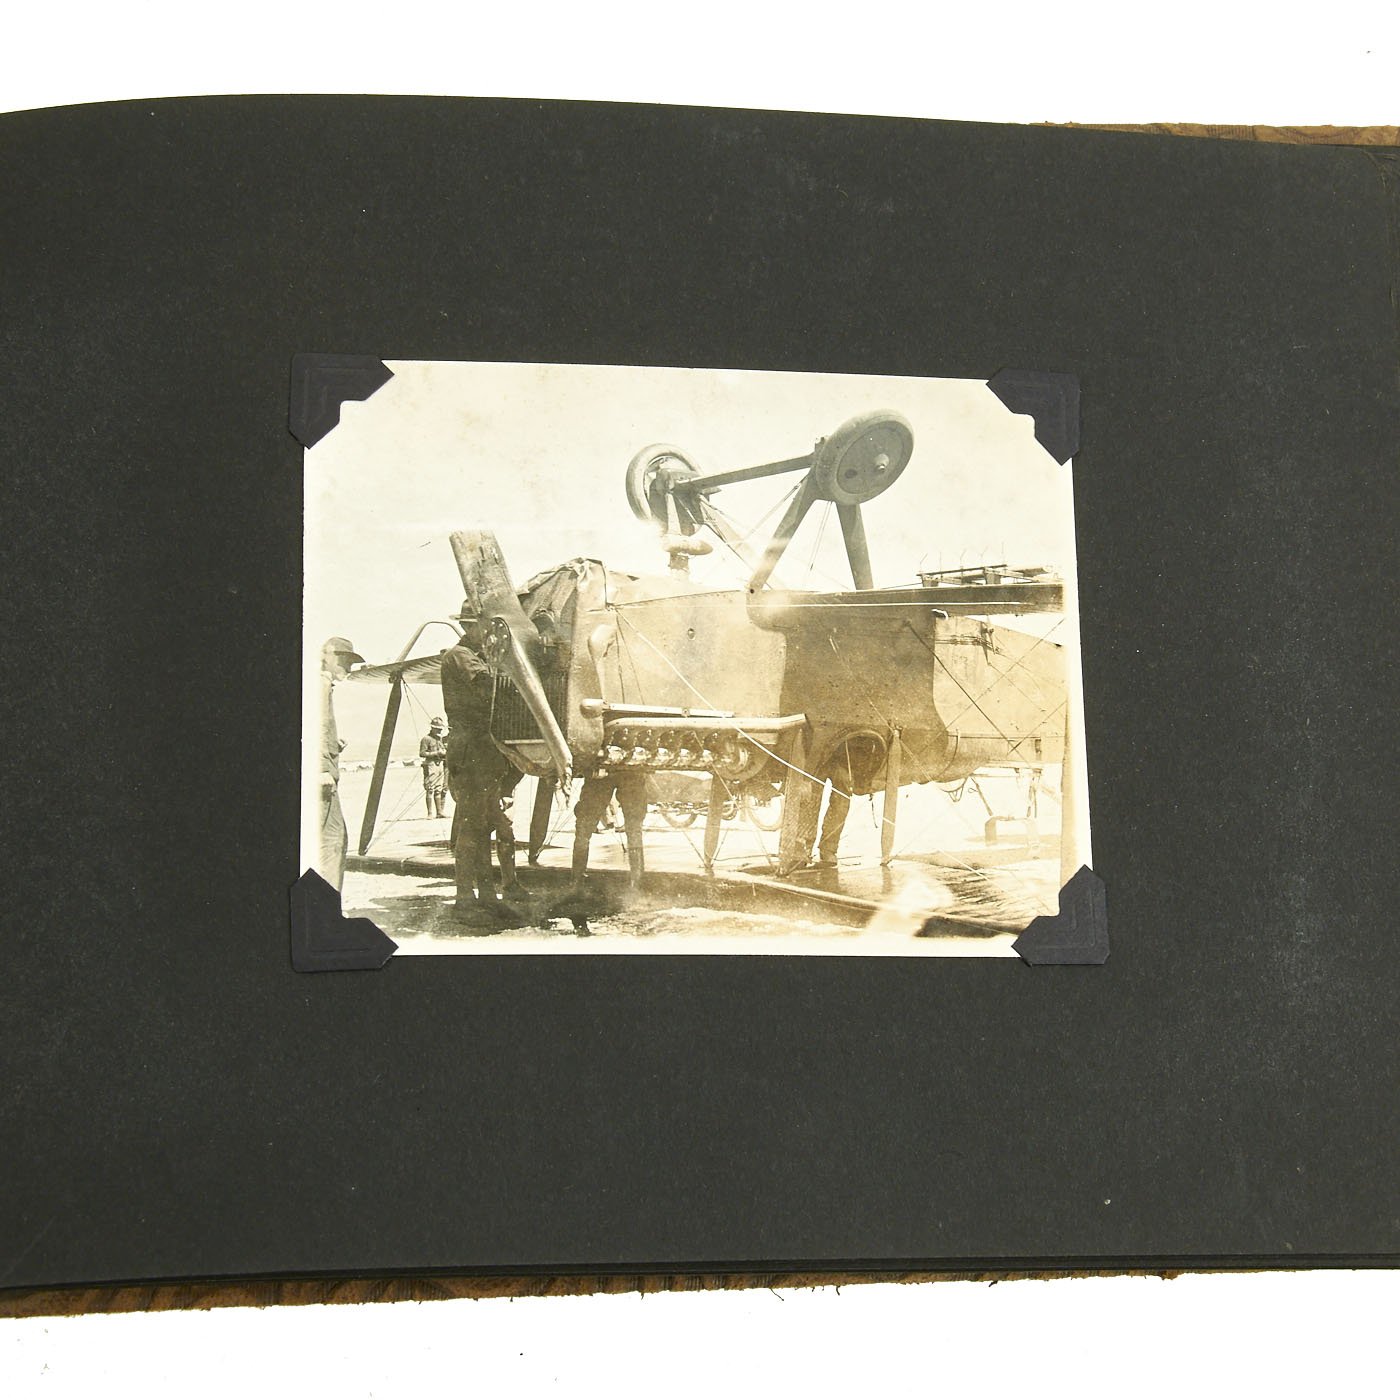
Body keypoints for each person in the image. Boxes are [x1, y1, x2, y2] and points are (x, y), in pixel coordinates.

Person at [439, 619, 519, 919]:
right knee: (471, 825)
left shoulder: (475, 656)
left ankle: (486, 894)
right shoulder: (460, 656)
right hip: (470, 749)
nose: (488, 635)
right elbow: (489, 685)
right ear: (468, 627)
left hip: (484, 749)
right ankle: (464, 898)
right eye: (482, 629)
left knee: (483, 825)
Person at [318, 636, 363, 891]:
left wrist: (333, 745)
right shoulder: (321, 685)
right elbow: (317, 725)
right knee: (333, 840)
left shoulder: (322, 685)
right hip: (323, 776)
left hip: (325, 771)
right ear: (329, 656)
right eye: (345, 660)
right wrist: (323, 768)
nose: (349, 666)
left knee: (334, 838)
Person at [569, 768, 650, 894]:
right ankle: (637, 885)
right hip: (620, 770)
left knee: (584, 828)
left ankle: (576, 883)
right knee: (633, 829)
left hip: (612, 771)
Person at [419, 716, 449, 819]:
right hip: (430, 764)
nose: (439, 731)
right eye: (438, 729)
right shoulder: (426, 739)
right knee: (430, 789)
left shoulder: (439, 739)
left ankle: (439, 812)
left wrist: (444, 752)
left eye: (440, 729)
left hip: (440, 764)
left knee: (438, 789)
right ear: (432, 728)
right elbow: (422, 753)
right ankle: (430, 813)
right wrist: (436, 753)